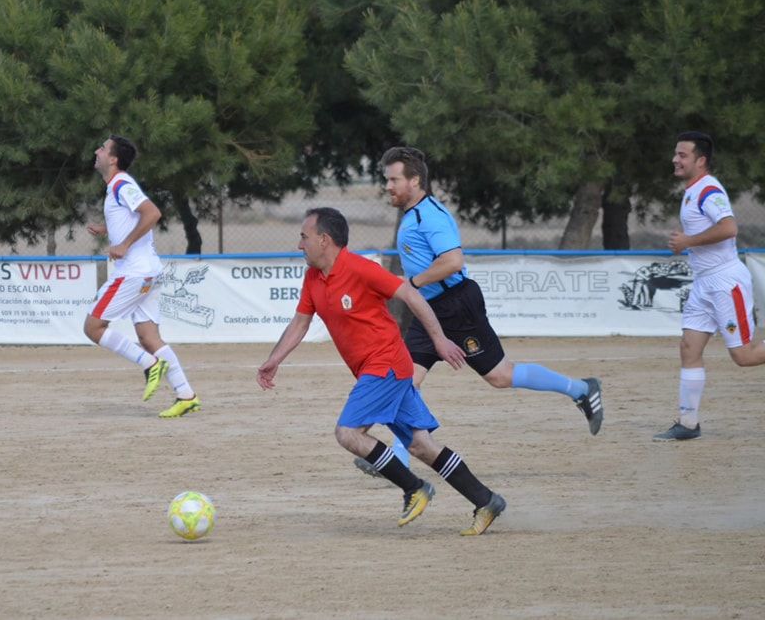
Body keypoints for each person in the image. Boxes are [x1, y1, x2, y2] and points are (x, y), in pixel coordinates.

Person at [355, 146, 603, 476]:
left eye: (394, 179)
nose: (388, 186)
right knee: (405, 379)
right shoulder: (413, 215)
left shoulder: (430, 216)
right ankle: (401, 455)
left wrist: (411, 282)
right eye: (387, 179)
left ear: (414, 180)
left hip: (457, 306)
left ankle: (582, 389)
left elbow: (454, 261)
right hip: (430, 308)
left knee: (500, 376)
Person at [257, 207, 506, 535]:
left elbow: (411, 296)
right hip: (379, 369)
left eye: (304, 237)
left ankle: (414, 488)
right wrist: (275, 359)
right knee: (420, 444)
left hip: (385, 363)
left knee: (348, 433)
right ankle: (485, 499)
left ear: (324, 239)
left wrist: (440, 340)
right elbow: (301, 321)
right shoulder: (313, 277)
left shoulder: (360, 269)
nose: (299, 244)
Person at [653, 131, 765, 441]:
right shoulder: (693, 190)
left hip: (725, 281)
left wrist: (688, 241)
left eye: (683, 155)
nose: (675, 159)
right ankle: (688, 425)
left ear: (701, 161)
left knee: (743, 356)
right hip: (704, 283)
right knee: (689, 348)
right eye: (676, 154)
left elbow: (729, 228)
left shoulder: (708, 190)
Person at [85, 135, 201, 418]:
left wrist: (123, 244)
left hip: (134, 273)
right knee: (150, 337)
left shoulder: (121, 183)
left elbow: (152, 213)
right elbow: (133, 218)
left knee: (93, 327)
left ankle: (149, 365)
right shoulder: (117, 186)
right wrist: (109, 229)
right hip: (148, 271)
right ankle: (186, 394)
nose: (97, 151)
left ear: (113, 159)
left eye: (102, 148)